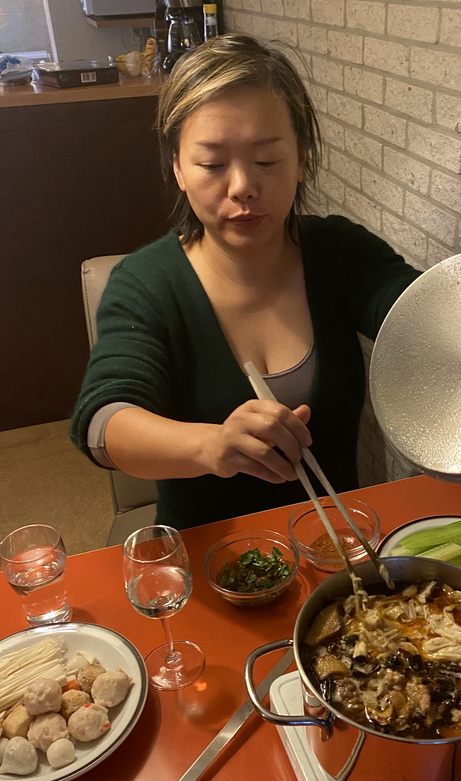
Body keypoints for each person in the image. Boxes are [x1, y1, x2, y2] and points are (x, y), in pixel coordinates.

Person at [70, 34, 420, 530]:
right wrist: (213, 445)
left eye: (267, 161)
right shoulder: (147, 283)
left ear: (301, 160)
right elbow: (104, 423)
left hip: (334, 554)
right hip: (214, 565)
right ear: (178, 169)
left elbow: (424, 316)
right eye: (212, 164)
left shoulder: (339, 253)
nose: (243, 187)